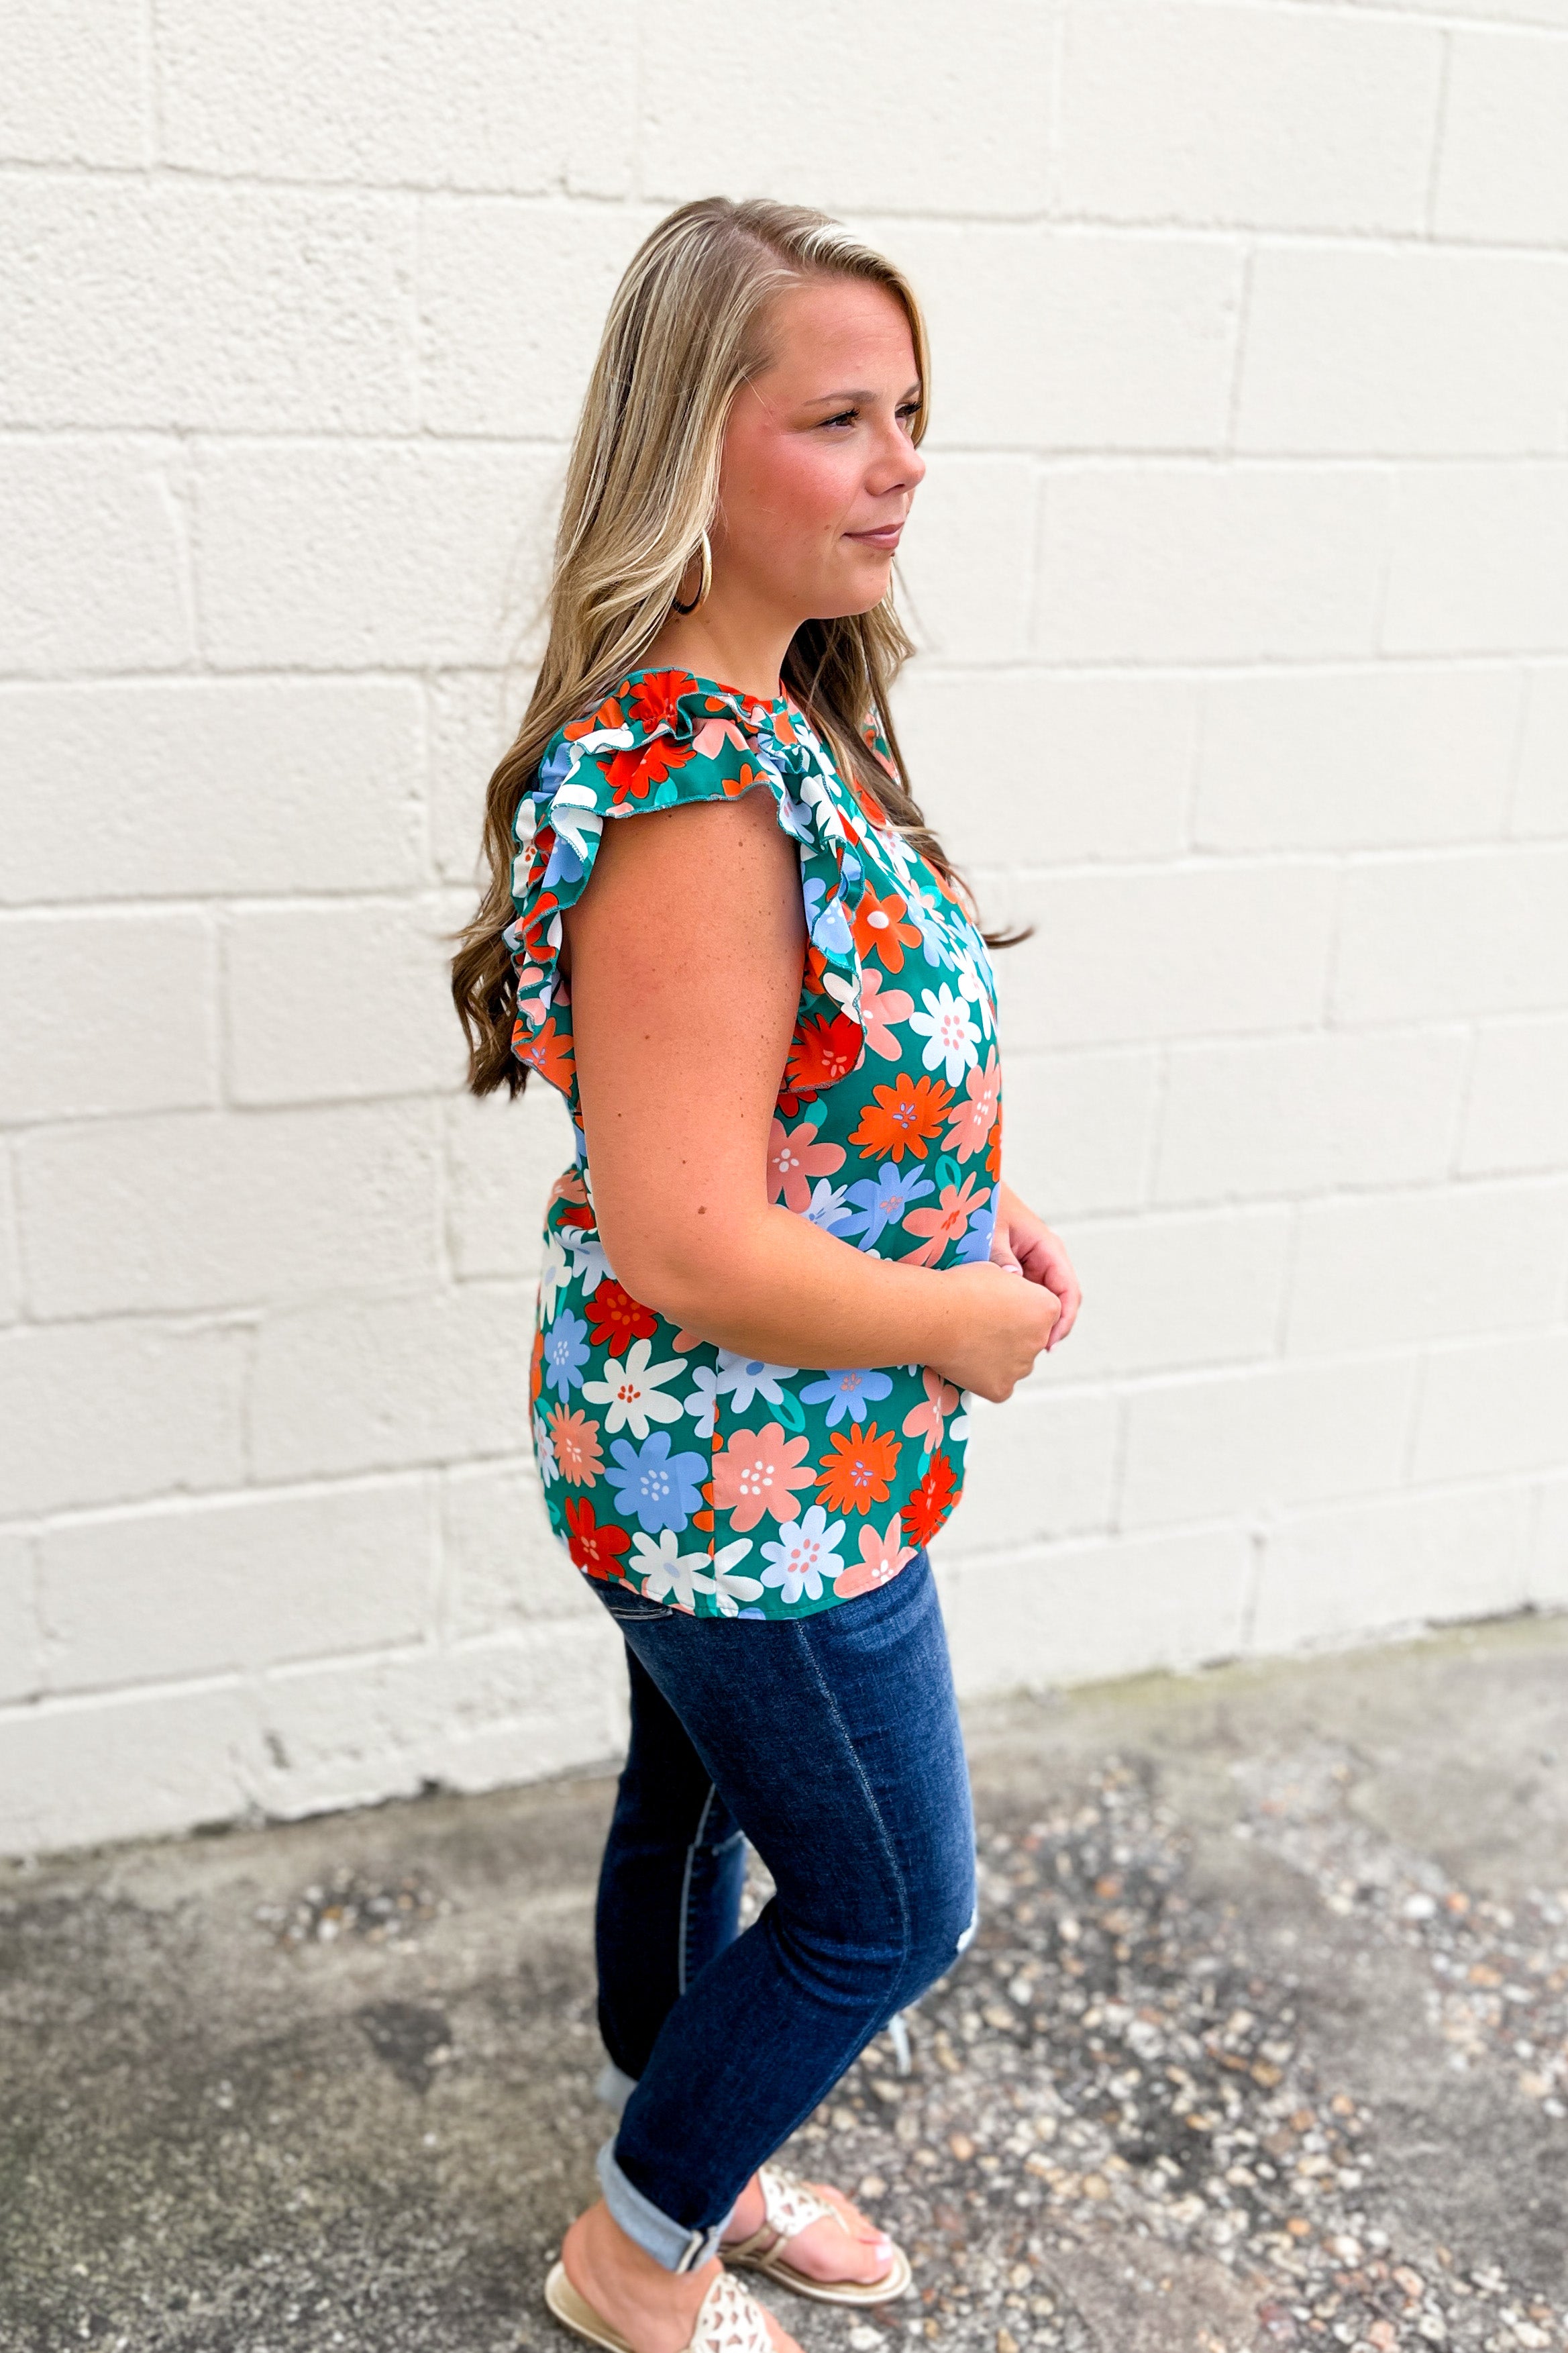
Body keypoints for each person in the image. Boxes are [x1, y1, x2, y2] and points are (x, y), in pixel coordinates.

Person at [452, 196, 1081, 2353]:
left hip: (712, 1451)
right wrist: (965, 1325)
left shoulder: (782, 719)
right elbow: (692, 1235)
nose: (901, 458)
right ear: (689, 451)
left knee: (688, 1803)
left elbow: (785, 1103)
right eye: (840, 416)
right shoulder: (699, 795)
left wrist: (956, 1208)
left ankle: (687, 2159)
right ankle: (637, 2254)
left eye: (911, 412)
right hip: (751, 1471)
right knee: (892, 1898)